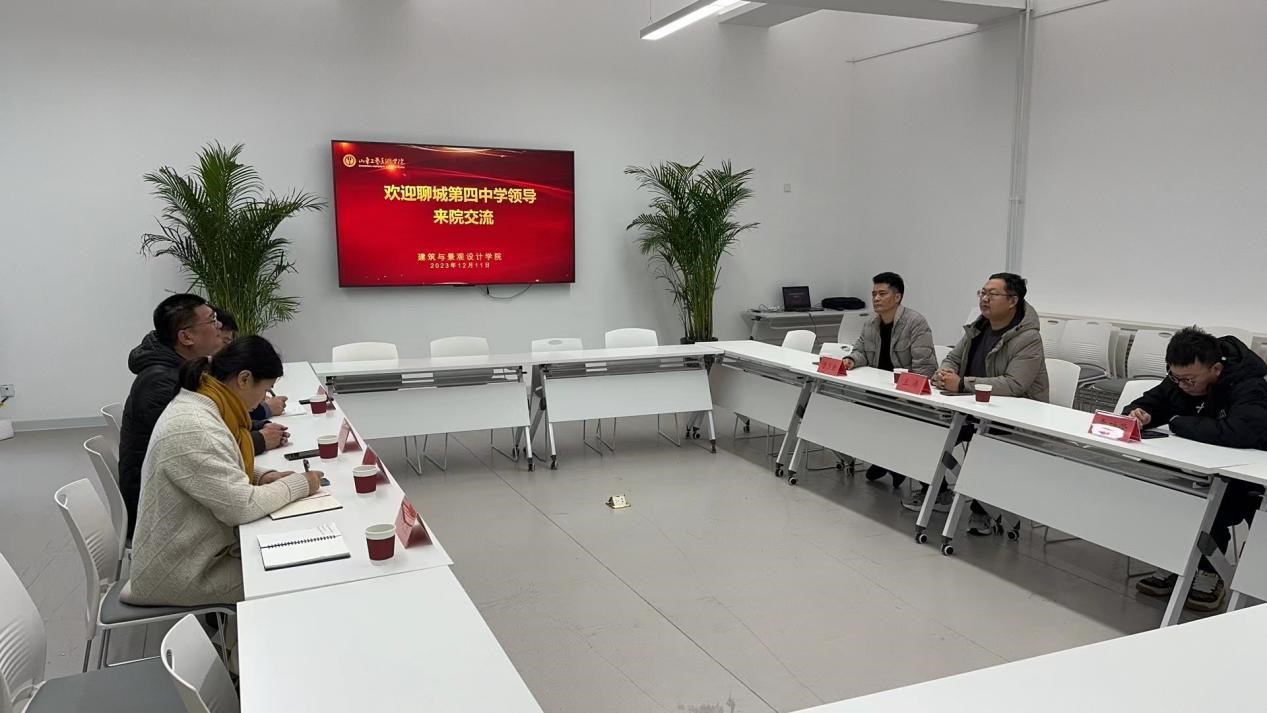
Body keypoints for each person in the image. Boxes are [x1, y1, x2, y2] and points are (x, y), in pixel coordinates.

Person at [123, 336, 321, 607]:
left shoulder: (203, 402)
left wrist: (261, 476)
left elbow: (213, 464)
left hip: (192, 555)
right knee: (300, 574)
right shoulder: (195, 426)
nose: (264, 400)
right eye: (265, 390)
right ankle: (249, 635)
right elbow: (243, 506)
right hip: (182, 573)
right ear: (244, 379)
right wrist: (301, 484)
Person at [119, 295, 288, 537]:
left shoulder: (183, 371)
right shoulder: (161, 383)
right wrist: (261, 440)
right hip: (161, 514)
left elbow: (212, 443)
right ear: (186, 337)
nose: (219, 326)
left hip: (182, 492)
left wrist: (260, 470)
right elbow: (204, 446)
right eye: (212, 320)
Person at [1123, 327, 1267, 611]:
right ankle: (1176, 560)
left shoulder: (1249, 383)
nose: (1182, 385)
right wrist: (1140, 413)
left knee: (1211, 500)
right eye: (1175, 377)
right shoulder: (1181, 377)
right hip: (1199, 463)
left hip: (1245, 472)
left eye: (1189, 380)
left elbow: (1240, 432)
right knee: (1162, 486)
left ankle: (1209, 571)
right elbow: (1154, 401)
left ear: (1216, 369)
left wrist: (1178, 422)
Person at [906, 273, 1049, 532]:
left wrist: (962, 384)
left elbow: (1014, 385)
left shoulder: (1028, 338)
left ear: (1013, 301)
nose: (984, 298)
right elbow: (953, 357)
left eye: (992, 294)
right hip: (971, 408)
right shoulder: (978, 328)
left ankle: (984, 510)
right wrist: (945, 372)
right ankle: (939, 492)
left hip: (1011, 417)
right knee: (925, 429)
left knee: (985, 444)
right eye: (982, 293)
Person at [843, 272, 937, 487]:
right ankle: (886, 461)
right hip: (878, 390)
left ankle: (899, 466)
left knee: (893, 419)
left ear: (897, 297)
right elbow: (861, 351)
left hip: (907, 395)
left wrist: (905, 394)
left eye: (882, 294)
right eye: (874, 294)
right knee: (852, 412)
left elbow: (925, 367)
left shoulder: (915, 323)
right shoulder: (870, 323)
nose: (876, 298)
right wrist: (851, 360)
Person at [213, 306, 288, 419]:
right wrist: (266, 409)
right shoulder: (212, 412)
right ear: (244, 379)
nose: (227, 349)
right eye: (225, 342)